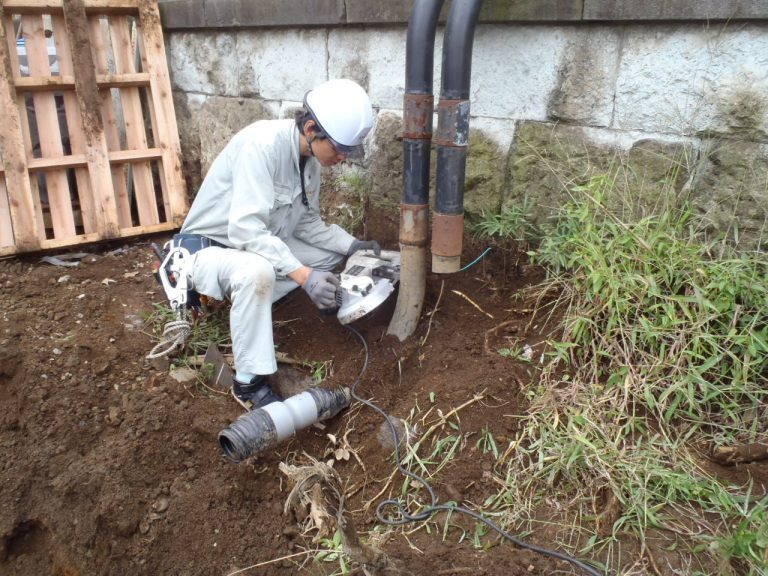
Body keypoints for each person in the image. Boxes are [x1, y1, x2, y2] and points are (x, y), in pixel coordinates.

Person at [175, 79, 381, 410]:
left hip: (248, 249)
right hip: (206, 252)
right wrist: (303, 276)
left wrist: (352, 245)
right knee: (259, 272)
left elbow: (308, 223)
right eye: (340, 148)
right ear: (312, 128)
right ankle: (248, 383)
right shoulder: (262, 145)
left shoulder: (310, 161)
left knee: (328, 256)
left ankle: (256, 308)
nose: (343, 157)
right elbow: (245, 230)